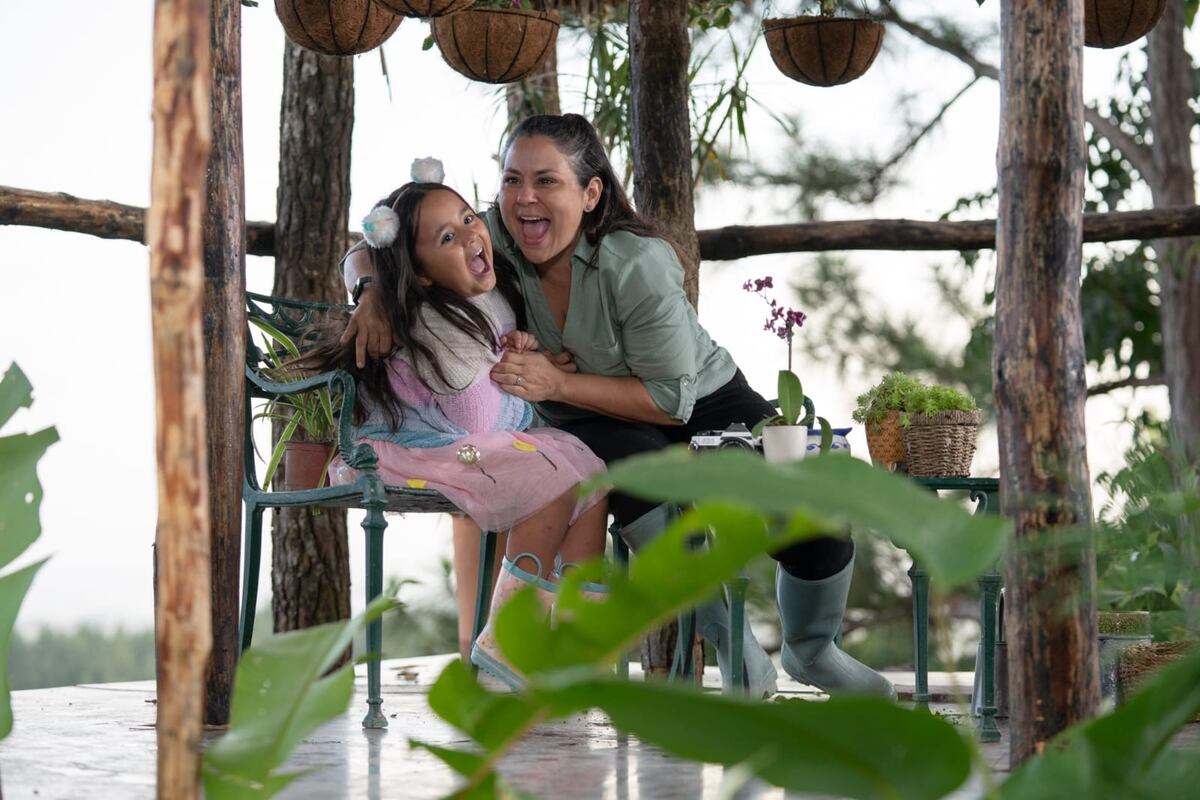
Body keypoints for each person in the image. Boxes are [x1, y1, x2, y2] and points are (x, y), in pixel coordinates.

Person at [343, 115, 894, 700]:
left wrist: (554, 383)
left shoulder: (637, 263)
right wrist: (370, 291)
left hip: (697, 401)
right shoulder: (497, 234)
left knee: (803, 495)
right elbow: (383, 241)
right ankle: (730, 641)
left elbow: (671, 398)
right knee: (630, 473)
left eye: (547, 181)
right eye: (511, 181)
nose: (524, 198)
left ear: (591, 192)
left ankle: (813, 651)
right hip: (595, 423)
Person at [323, 181, 609, 689]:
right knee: (551, 480)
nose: (472, 234)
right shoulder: (436, 322)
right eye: (447, 238)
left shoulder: (484, 289)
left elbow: (492, 368)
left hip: (472, 439)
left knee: (589, 471)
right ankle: (508, 642)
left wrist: (512, 350)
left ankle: (576, 634)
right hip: (427, 448)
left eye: (469, 219)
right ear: (423, 274)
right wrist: (513, 368)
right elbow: (478, 416)